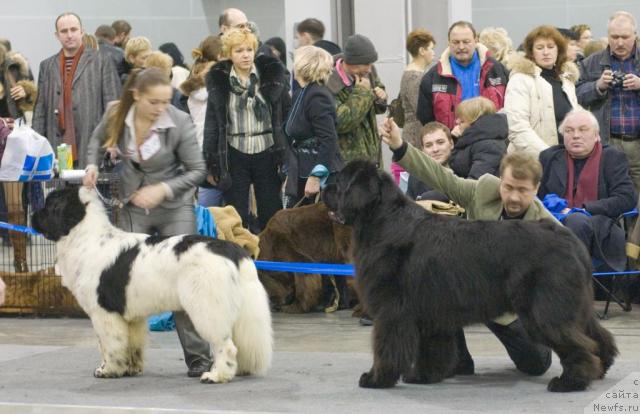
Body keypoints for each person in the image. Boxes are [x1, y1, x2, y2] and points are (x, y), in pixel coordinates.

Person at [379, 116, 553, 378]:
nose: (513, 197)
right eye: (507, 187)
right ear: (499, 181)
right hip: (465, 293)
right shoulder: (483, 191)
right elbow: (440, 176)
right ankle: (455, 361)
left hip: (510, 309)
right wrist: (399, 146)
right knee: (436, 286)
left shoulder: (546, 228)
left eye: (522, 190)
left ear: (536, 189)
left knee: (536, 365)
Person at [82, 67, 210, 378]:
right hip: (131, 206)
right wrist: (91, 165)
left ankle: (199, 358)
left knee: (181, 281)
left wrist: (163, 189)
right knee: (126, 286)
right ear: (136, 96)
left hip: (174, 207)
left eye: (166, 101)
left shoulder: (178, 121)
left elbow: (197, 170)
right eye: (154, 102)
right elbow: (95, 142)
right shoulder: (116, 112)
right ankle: (125, 358)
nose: (161, 108)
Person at [203, 28, 290, 232]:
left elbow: (285, 116)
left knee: (271, 210)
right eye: (238, 50)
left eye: (249, 49)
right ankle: (239, 256)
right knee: (235, 212)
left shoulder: (270, 77)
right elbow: (212, 125)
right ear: (229, 54)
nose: (245, 55)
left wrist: (287, 154)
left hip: (267, 149)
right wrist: (211, 163)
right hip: (235, 151)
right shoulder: (220, 82)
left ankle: (271, 260)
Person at [538, 108, 636, 272]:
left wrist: (583, 209)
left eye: (583, 129)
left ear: (596, 134)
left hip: (599, 226)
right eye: (569, 131)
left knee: (576, 221)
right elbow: (536, 195)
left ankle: (570, 283)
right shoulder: (549, 157)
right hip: (553, 222)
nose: (576, 135)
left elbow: (626, 198)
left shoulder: (612, 157)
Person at [32, 12, 120, 168]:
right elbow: (40, 109)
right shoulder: (46, 66)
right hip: (56, 145)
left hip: (92, 144)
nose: (69, 35)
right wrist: (36, 145)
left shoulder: (102, 61)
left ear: (82, 31)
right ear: (57, 35)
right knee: (59, 192)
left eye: (73, 29)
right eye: (64, 31)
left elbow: (113, 104)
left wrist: (113, 140)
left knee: (88, 192)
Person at [576, 11, 640, 192]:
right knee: (608, 191)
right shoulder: (590, 64)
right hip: (606, 141)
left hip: (637, 143)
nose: (620, 42)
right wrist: (599, 85)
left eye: (625, 37)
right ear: (608, 36)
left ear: (635, 35)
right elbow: (578, 95)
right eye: (615, 37)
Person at [416, 21, 508, 129]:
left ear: (476, 41)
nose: (461, 46)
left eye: (466, 41)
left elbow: (512, 108)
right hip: (453, 142)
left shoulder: (497, 70)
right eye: (455, 42)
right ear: (448, 43)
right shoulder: (433, 77)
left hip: (491, 140)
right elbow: (426, 119)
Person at [504, 25, 580, 155]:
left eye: (551, 47)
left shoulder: (567, 81)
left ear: (558, 50)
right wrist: (547, 155)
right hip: (530, 163)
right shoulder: (520, 80)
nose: (546, 52)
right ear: (531, 52)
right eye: (540, 48)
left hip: (566, 157)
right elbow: (518, 128)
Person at [284, 45, 343, 206]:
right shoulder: (301, 93)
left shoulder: (317, 96)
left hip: (320, 176)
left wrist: (316, 176)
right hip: (302, 170)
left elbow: (328, 139)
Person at [325, 34, 387, 165]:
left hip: (372, 158)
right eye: (366, 64)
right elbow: (341, 122)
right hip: (347, 165)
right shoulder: (328, 82)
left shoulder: (367, 71)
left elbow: (377, 103)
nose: (370, 69)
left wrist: (380, 98)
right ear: (351, 62)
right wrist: (362, 93)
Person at [181, 35, 223, 207]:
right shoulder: (218, 81)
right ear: (220, 56)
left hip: (198, 146)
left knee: (207, 200)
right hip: (214, 147)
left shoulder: (194, 80)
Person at [448, 96, 507, 179]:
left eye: (462, 121)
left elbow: (476, 182)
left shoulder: (489, 147)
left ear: (475, 121)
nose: (457, 122)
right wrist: (456, 140)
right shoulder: (472, 141)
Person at [400, 29, 436, 149]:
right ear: (422, 51)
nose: (434, 53)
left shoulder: (416, 74)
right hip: (416, 136)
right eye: (431, 48)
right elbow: (421, 109)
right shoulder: (414, 76)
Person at [406, 122, 453, 202]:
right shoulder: (416, 176)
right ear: (423, 150)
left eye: (440, 142)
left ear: (451, 144)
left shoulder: (466, 169)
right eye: (429, 145)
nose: (435, 149)